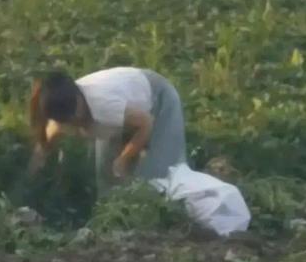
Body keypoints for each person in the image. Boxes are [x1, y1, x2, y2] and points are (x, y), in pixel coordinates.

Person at [29, 67, 187, 196]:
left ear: (79, 98)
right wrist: (33, 172)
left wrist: (124, 158)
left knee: (161, 178)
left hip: (157, 100)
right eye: (70, 121)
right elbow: (44, 145)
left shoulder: (103, 105)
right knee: (107, 182)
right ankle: (114, 226)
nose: (76, 119)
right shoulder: (60, 118)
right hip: (121, 113)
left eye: (76, 113)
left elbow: (146, 123)